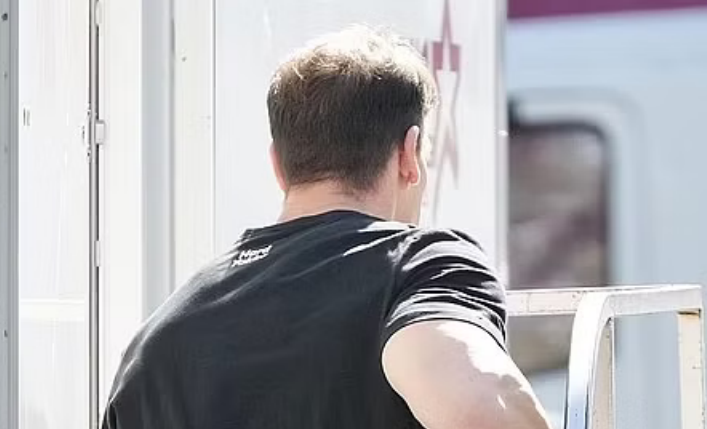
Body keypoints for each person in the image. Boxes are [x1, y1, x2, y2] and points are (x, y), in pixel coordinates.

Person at [102, 26, 553, 429]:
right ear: (409, 155)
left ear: (278, 166)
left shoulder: (157, 341)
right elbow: (482, 411)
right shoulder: (416, 270)